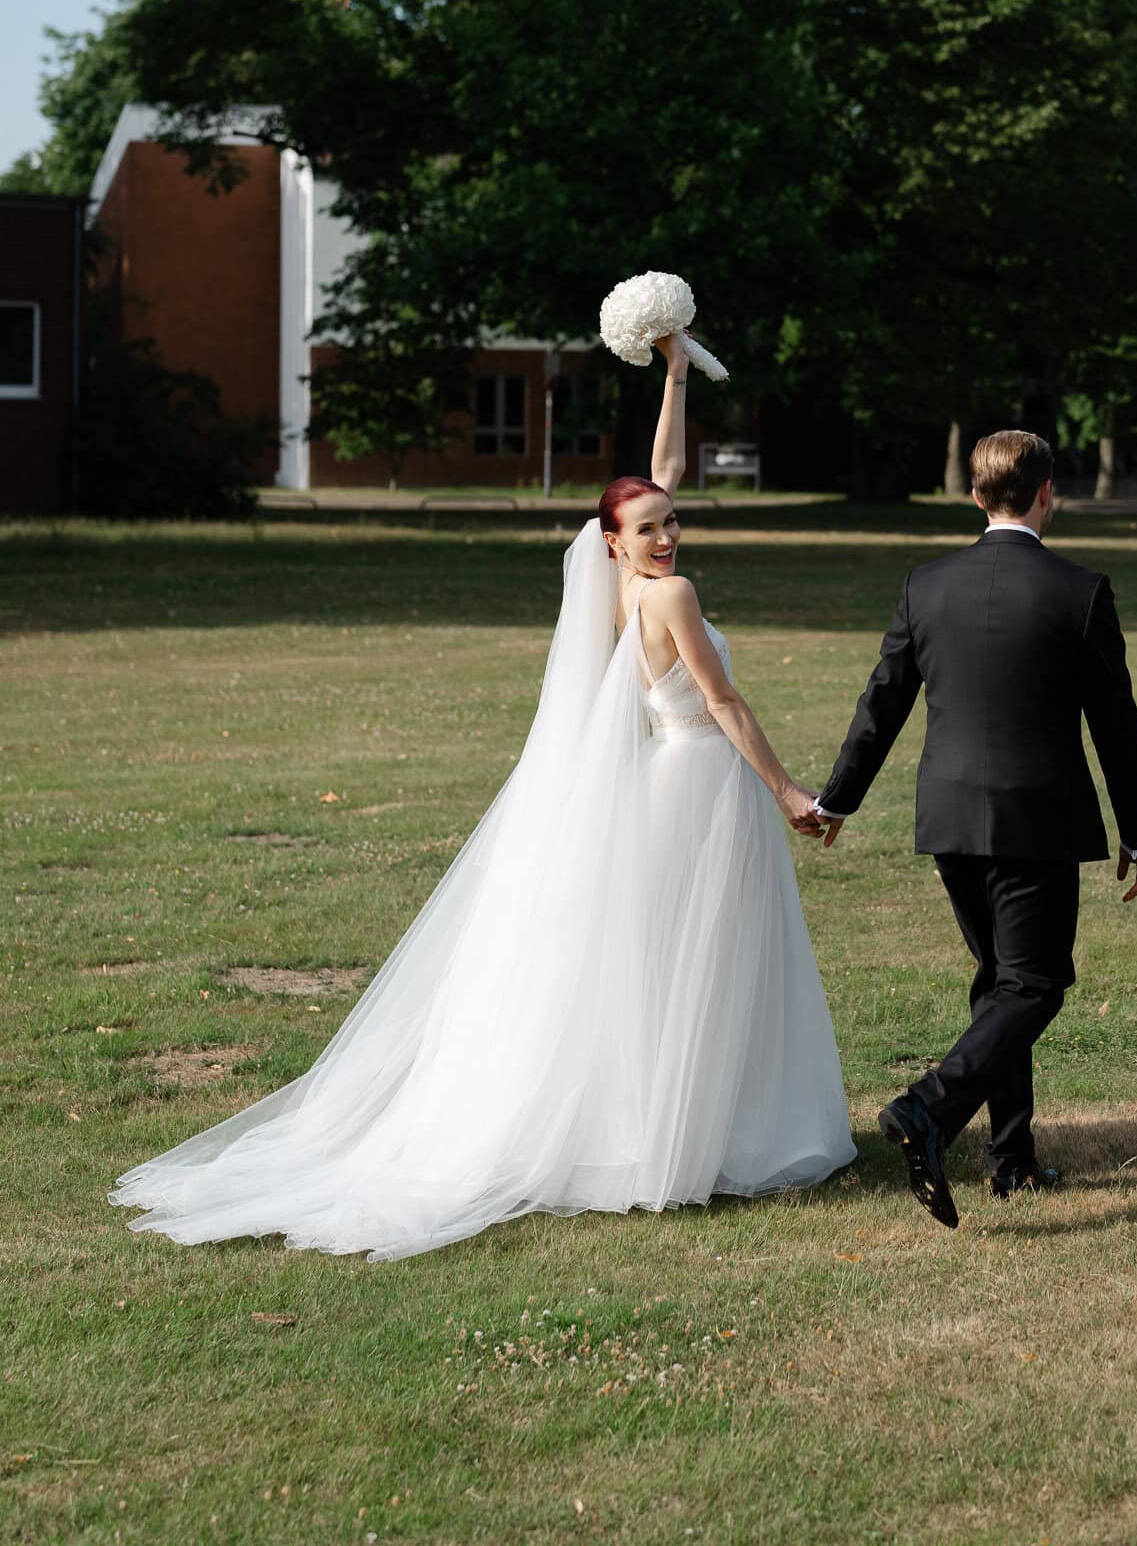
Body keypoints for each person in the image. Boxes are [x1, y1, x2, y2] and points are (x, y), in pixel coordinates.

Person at [112, 336, 853, 1257]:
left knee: (667, 964)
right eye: (652, 528)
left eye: (673, 522)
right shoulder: (674, 596)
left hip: (668, 781)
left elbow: (655, 474)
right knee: (701, 961)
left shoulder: (621, 584)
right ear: (618, 542)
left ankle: (669, 1131)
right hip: (702, 780)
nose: (668, 535)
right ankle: (692, 1142)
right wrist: (787, 791)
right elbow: (725, 701)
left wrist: (672, 374)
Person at [810, 429, 1137, 1228]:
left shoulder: (925, 586)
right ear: (1046, 495)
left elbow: (881, 702)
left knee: (1000, 982)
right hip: (1036, 817)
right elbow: (1117, 724)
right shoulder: (1081, 590)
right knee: (1035, 984)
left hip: (951, 815)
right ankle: (928, 1109)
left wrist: (838, 800)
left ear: (975, 497)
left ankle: (1012, 1161)